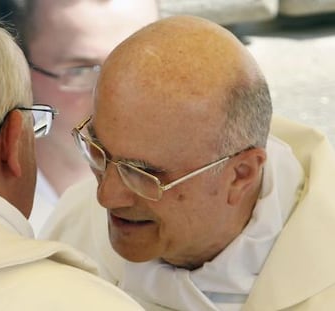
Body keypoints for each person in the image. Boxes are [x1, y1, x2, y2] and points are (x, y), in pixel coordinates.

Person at [40, 15, 335, 310]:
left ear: (240, 175)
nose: (106, 197)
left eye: (143, 173)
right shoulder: (74, 227)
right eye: (97, 151)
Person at [0, 6, 145, 310]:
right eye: (79, 69)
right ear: (12, 139)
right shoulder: (82, 302)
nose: (112, 96)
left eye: (142, 69)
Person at [0, 0, 159, 234]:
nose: (117, 96)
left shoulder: (198, 193)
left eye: (140, 65)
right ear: (15, 70)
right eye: (81, 70)